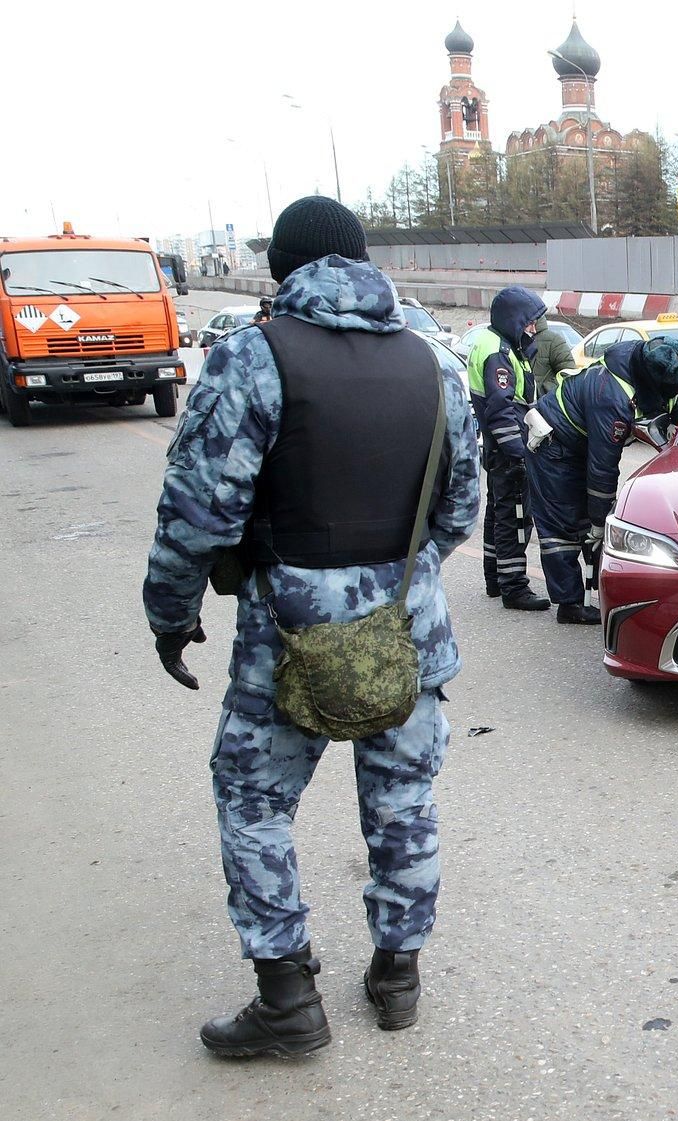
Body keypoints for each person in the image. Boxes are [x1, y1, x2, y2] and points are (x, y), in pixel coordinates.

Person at [143, 195, 481, 1058]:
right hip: (408, 633)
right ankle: (397, 977)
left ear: (283, 267)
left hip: (285, 642)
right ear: (365, 261)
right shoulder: (434, 363)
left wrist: (171, 615)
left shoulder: (250, 358)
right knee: (405, 803)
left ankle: (288, 998)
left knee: (252, 801)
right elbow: (463, 507)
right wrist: (393, 575)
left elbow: (197, 515)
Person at [525, 334, 678, 625]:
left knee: (587, 525)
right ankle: (570, 604)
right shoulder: (611, 397)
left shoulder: (645, 361)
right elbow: (602, 469)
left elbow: (675, 401)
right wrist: (599, 522)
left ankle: (598, 593)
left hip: (579, 444)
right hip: (554, 448)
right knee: (562, 527)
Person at [464, 286, 552, 611]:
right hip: (508, 448)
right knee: (516, 517)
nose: (533, 329)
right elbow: (500, 410)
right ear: (514, 320)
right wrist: (520, 453)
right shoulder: (499, 352)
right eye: (529, 323)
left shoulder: (494, 343)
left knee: (498, 515)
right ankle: (514, 587)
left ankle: (495, 578)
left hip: (497, 447)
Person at [530, 317, 575, 401]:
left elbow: (568, 374)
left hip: (544, 406)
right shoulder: (510, 340)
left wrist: (541, 391)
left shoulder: (554, 341)